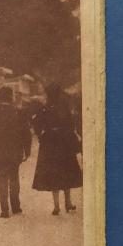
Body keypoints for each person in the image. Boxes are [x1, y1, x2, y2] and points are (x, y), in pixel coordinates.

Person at [32, 84, 82, 215]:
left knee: (54, 174)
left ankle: (56, 206)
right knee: (66, 172)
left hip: (50, 144)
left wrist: (41, 136)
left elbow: (36, 123)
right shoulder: (64, 107)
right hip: (64, 144)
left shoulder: (45, 108)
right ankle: (68, 203)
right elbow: (71, 125)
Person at [0, 86, 32, 218]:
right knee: (14, 177)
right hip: (14, 151)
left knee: (1, 178)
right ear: (11, 97)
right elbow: (26, 133)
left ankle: (4, 210)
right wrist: (27, 150)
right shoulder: (19, 112)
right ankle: (16, 207)